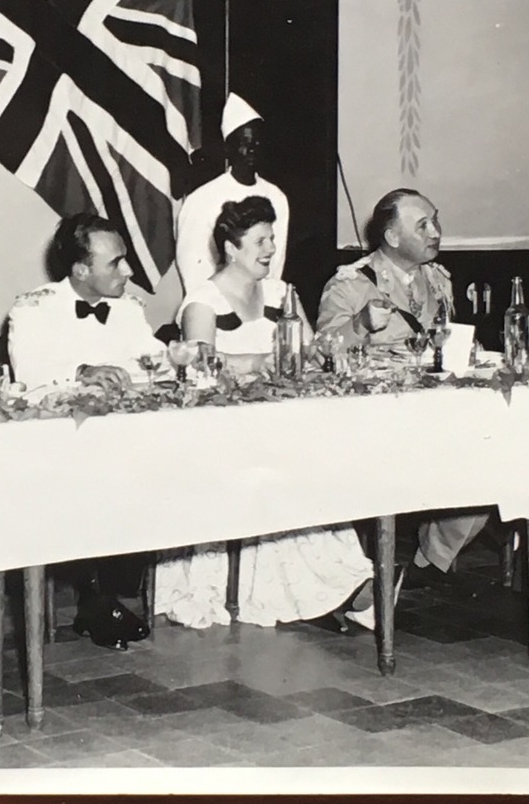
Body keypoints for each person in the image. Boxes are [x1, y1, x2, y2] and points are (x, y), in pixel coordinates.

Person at [156, 197, 376, 631]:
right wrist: (261, 361)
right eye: (260, 240)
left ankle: (339, 586)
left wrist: (361, 326)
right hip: (224, 430)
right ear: (231, 247)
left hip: (279, 420)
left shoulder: (281, 293)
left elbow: (312, 355)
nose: (271, 248)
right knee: (284, 468)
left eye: (273, 238)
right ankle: (337, 591)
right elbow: (202, 370)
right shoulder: (202, 303)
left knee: (321, 462)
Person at [317, 189, 488, 592]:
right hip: (374, 422)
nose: (436, 232)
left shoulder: (438, 280)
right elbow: (321, 355)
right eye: (423, 225)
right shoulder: (352, 283)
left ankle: (432, 558)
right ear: (392, 237)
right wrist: (359, 324)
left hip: (434, 414)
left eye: (436, 221)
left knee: (491, 461)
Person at [8, 213, 165, 649]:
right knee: (90, 477)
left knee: (152, 469)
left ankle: (106, 596)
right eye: (116, 263)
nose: (128, 271)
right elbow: (31, 373)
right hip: (55, 447)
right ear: (80, 270)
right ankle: (97, 600)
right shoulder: (32, 308)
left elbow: (152, 359)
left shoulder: (129, 310)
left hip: (119, 442)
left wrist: (181, 356)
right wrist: (82, 371)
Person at [175, 93, 291, 292]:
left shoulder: (276, 197)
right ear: (229, 149)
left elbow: (274, 261)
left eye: (256, 143)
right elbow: (193, 268)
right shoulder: (202, 199)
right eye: (244, 144)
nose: (251, 150)